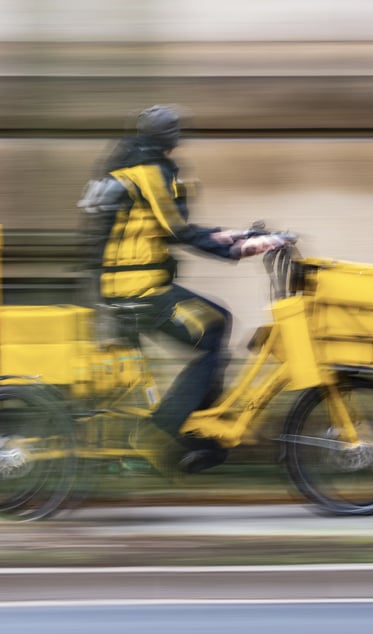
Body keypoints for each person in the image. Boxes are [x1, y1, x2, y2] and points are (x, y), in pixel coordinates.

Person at [79, 104, 285, 474]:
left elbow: (171, 227)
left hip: (125, 285)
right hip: (138, 291)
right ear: (171, 141)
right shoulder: (149, 172)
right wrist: (238, 248)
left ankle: (197, 430)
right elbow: (178, 230)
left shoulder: (128, 165)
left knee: (217, 321)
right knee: (213, 329)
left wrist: (241, 236)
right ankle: (161, 433)